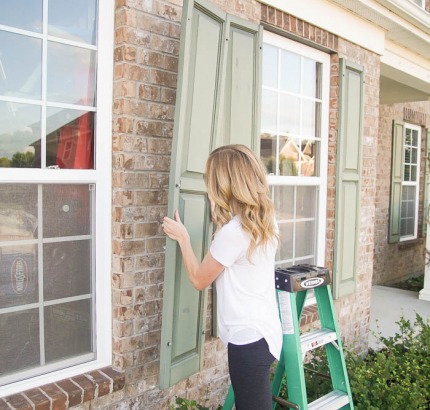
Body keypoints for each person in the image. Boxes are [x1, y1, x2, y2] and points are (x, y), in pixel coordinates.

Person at [162, 144, 282, 410]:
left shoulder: (234, 232)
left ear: (224, 183)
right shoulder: (265, 220)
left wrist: (183, 237)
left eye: (210, 180)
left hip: (247, 340)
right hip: (265, 332)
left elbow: (198, 279)